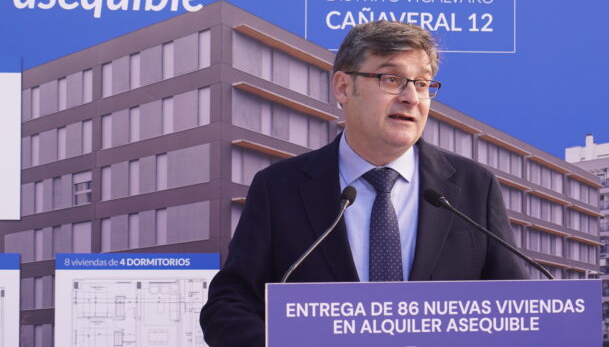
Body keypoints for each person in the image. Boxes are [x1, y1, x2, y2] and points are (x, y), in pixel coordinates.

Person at [200, 21, 528, 347]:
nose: (411, 98)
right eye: (392, 79)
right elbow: (230, 305)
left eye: (422, 84)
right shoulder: (278, 188)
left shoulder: (474, 186)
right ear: (343, 87)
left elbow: (516, 308)